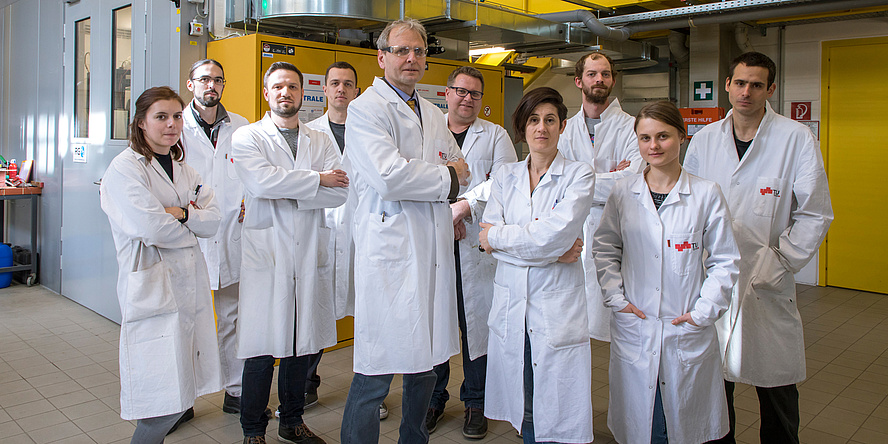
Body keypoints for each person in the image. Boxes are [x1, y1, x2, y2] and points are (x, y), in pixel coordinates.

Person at [684, 52, 833, 444]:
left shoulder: (795, 138)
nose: (745, 91)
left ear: (771, 88)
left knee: (777, 388)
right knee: (716, 392)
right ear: (728, 85)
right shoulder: (703, 141)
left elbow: (815, 213)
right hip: (712, 277)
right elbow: (690, 205)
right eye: (739, 83)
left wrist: (780, 261)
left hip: (767, 279)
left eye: (755, 84)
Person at [341, 18, 470, 444]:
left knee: (425, 365)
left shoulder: (432, 113)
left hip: (430, 248)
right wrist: (444, 178)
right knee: (375, 371)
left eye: (418, 51)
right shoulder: (365, 110)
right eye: (401, 51)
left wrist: (441, 175)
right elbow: (389, 177)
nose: (411, 58)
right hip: (390, 254)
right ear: (382, 58)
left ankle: (413, 439)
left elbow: (462, 169)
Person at [593, 101, 740, 444]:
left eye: (663, 136)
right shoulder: (622, 192)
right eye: (645, 138)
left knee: (680, 423)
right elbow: (605, 248)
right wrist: (616, 298)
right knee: (642, 421)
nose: (654, 146)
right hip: (636, 322)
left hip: (684, 325)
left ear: (682, 137)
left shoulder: (705, 194)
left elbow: (725, 261)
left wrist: (704, 312)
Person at [232, 61, 348, 444]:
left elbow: (342, 189)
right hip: (268, 256)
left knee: (303, 343)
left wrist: (295, 187)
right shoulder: (248, 137)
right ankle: (252, 428)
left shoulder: (319, 139)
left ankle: (291, 421)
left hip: (309, 252)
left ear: (303, 92)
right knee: (262, 347)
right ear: (267, 93)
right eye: (278, 86)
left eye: (293, 87)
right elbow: (261, 182)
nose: (286, 92)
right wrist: (316, 180)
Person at [100, 86, 222, 444]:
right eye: (161, 117)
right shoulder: (125, 169)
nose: (172, 125)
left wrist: (182, 213)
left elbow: (214, 221)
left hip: (187, 287)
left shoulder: (185, 168)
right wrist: (190, 221)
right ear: (140, 123)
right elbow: (150, 227)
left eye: (177, 116)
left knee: (180, 391)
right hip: (152, 288)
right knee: (160, 401)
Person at [479, 87, 595, 444]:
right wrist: (549, 250)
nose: (541, 128)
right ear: (522, 127)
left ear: (562, 126)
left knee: (556, 398)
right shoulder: (504, 176)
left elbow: (549, 237)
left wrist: (500, 238)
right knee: (525, 395)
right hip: (513, 303)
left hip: (555, 306)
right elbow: (487, 239)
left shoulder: (579, 175)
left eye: (550, 120)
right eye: (533, 120)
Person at [426, 66, 517, 438]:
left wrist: (462, 207)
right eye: (461, 91)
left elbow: (505, 185)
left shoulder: (495, 136)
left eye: (475, 94)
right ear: (446, 93)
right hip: (433, 241)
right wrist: (442, 215)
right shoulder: (428, 131)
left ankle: (476, 402)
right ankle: (434, 398)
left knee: (475, 325)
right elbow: (415, 178)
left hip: (475, 244)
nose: (467, 98)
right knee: (435, 324)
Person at [303, 61, 390, 420]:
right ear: (323, 89)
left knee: (369, 317)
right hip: (319, 234)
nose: (341, 89)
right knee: (313, 311)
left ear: (357, 91)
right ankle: (305, 387)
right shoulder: (307, 133)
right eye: (334, 83)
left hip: (363, 234)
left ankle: (372, 393)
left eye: (348, 84)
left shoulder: (371, 129)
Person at [557, 51, 645, 343]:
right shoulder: (565, 128)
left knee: (621, 324)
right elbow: (554, 181)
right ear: (578, 81)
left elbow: (633, 181)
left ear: (613, 80)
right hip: (574, 229)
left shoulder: (633, 127)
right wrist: (611, 176)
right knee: (572, 321)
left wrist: (577, 181)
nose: (599, 79)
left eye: (605, 74)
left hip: (619, 229)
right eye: (592, 74)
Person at [181, 58, 250, 416]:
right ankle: (181, 400)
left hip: (230, 235)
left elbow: (254, 175)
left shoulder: (240, 126)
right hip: (188, 236)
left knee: (232, 318)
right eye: (204, 79)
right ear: (190, 84)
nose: (212, 86)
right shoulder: (175, 128)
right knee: (184, 321)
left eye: (218, 80)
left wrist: (248, 202)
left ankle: (235, 391)